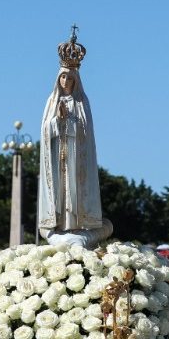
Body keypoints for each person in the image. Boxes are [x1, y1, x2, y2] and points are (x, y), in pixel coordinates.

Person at [38, 29, 108, 245]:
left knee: (74, 189)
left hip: (76, 157)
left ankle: (76, 224)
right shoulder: (51, 101)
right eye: (63, 77)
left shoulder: (80, 102)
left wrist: (69, 121)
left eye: (69, 77)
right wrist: (57, 122)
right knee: (60, 189)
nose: (66, 81)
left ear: (75, 79)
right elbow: (45, 130)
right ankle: (58, 222)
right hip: (58, 156)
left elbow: (85, 132)